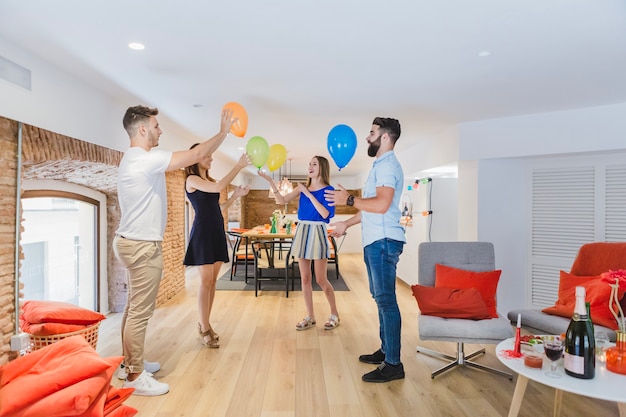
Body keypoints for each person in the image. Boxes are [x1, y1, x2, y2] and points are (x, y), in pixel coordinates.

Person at [113, 105, 235, 396]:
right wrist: (222, 132)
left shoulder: (132, 161)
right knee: (140, 312)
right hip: (141, 245)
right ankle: (134, 375)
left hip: (131, 241)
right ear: (142, 129)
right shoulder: (144, 159)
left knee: (132, 309)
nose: (160, 130)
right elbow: (193, 156)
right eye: (156, 125)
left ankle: (129, 363)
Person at [324, 117, 406, 383]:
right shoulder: (380, 166)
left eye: (372, 133)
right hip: (377, 240)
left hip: (383, 241)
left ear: (385, 137)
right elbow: (371, 209)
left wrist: (348, 199)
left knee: (386, 300)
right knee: (380, 298)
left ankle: (393, 364)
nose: (367, 137)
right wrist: (345, 223)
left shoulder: (387, 166)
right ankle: (386, 351)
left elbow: (381, 205)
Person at [258, 156, 340, 331]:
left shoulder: (328, 190)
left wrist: (308, 194)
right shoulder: (301, 188)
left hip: (318, 231)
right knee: (305, 278)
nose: (310, 166)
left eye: (314, 164)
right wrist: (271, 182)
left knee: (321, 279)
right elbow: (281, 201)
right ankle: (310, 316)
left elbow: (325, 214)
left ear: (322, 168)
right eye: (309, 163)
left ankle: (334, 314)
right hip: (302, 230)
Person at [183, 147, 251, 348]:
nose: (211, 158)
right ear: (196, 158)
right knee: (205, 281)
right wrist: (238, 165)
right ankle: (204, 327)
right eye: (207, 155)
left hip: (216, 232)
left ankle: (206, 323)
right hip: (203, 233)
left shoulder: (210, 182)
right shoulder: (192, 180)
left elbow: (218, 207)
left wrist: (235, 196)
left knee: (213, 281)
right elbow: (220, 186)